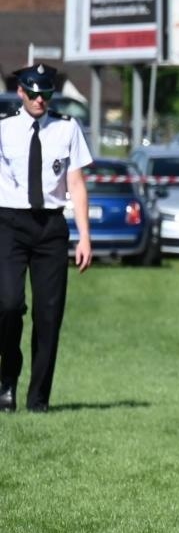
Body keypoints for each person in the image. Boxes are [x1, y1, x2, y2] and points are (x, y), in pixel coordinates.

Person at [0, 64, 93, 413]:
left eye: (47, 93)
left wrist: (85, 237)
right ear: (21, 92)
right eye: (34, 93)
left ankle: (38, 398)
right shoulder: (3, 128)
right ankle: (7, 378)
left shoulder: (67, 129)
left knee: (48, 315)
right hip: (9, 222)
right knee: (8, 305)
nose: (41, 99)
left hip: (51, 228)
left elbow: (76, 184)